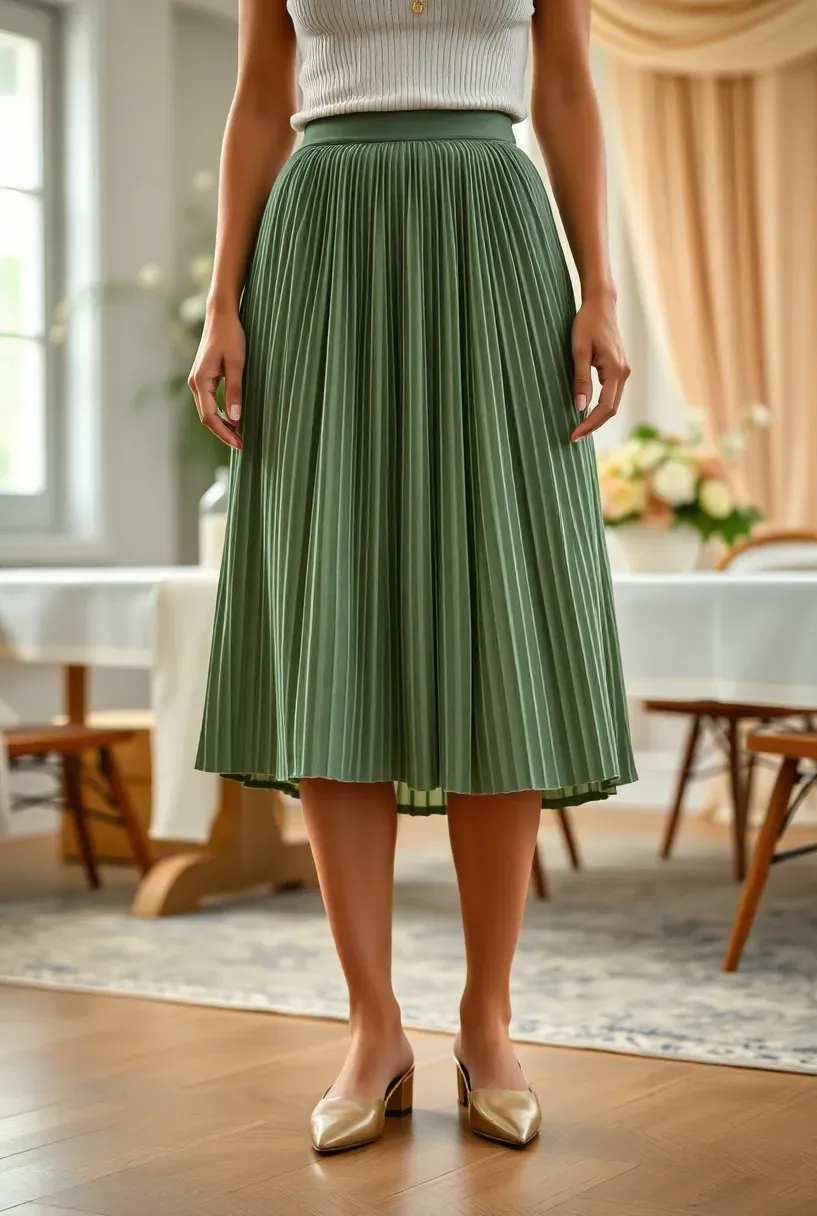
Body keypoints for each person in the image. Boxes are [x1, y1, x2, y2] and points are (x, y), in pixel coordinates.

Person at [189, 0, 636, 1154]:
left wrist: (600, 290)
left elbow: (570, 90)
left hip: (492, 230)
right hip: (322, 240)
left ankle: (488, 1021)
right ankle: (371, 1026)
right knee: (335, 606)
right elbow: (256, 102)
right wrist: (221, 298)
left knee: (503, 620)